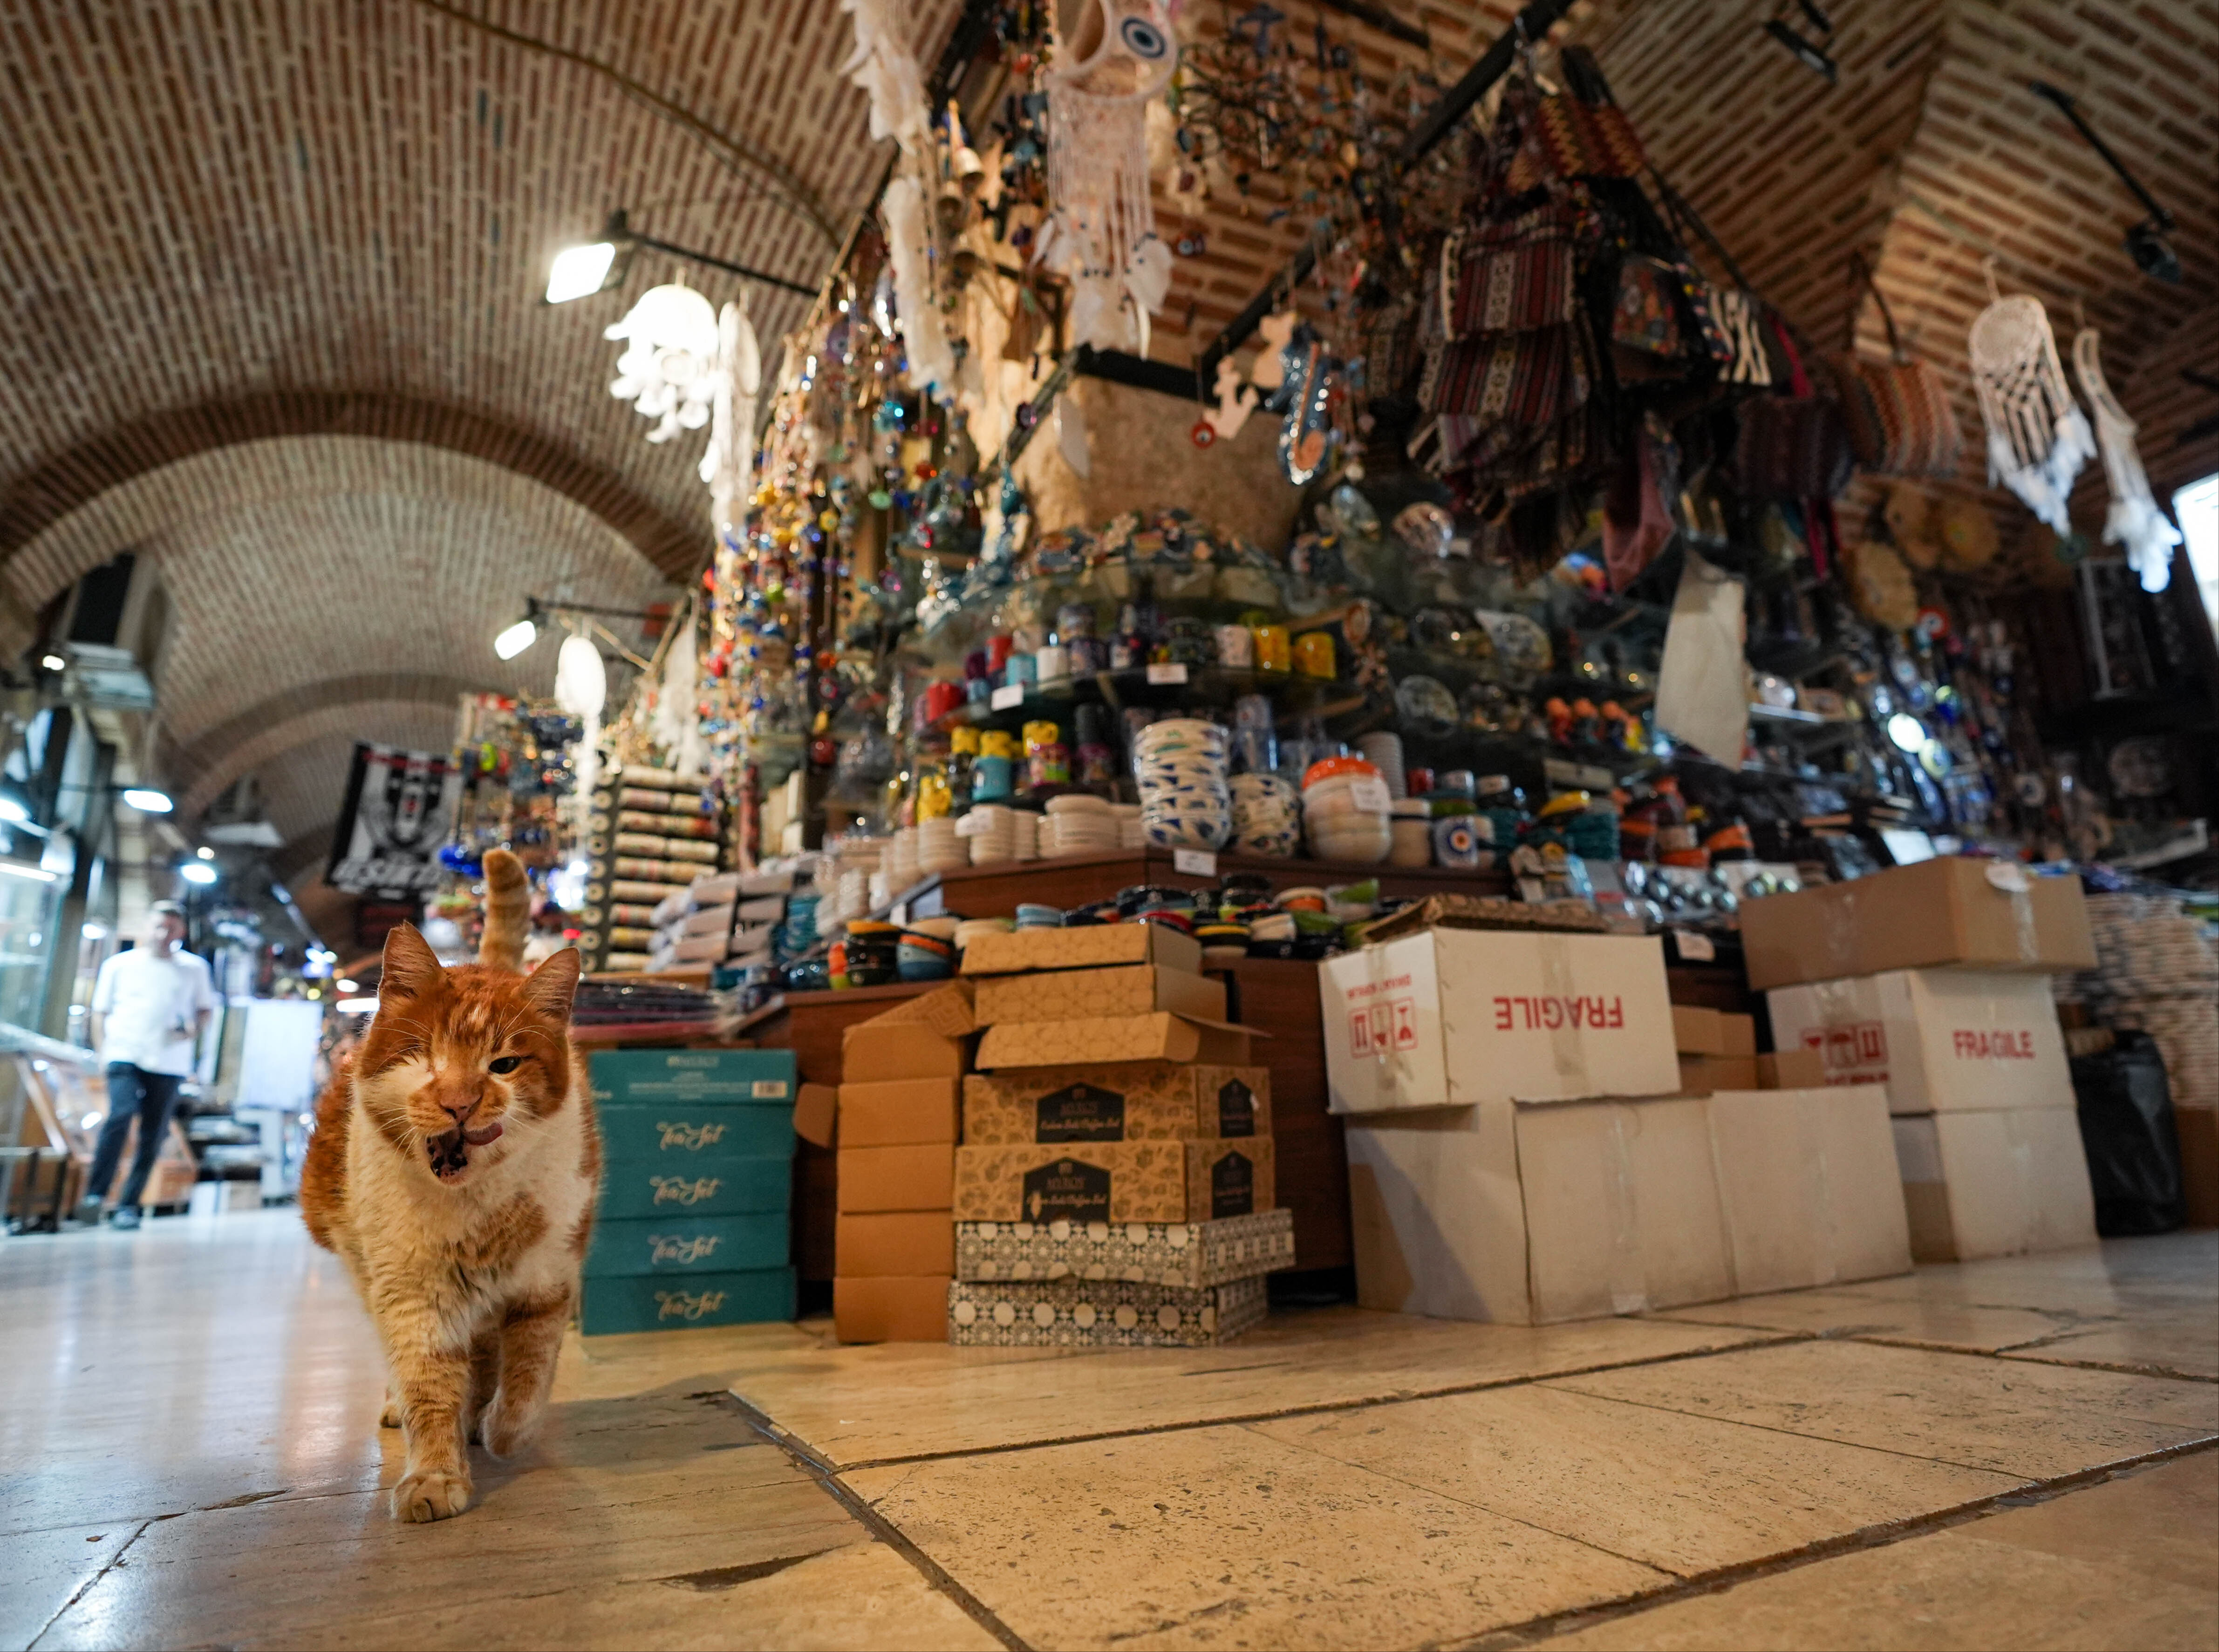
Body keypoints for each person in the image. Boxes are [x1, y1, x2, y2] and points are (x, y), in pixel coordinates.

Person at [76, 902, 218, 1230]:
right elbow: (100, 1011)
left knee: (153, 1132)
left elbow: (205, 1010)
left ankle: (129, 1204)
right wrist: (103, 1051)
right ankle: (95, 1196)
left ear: (180, 932)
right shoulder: (119, 965)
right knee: (120, 1115)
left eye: (170, 928)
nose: (162, 934)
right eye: (157, 926)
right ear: (146, 927)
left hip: (169, 1060)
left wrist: (192, 1031)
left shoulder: (194, 968)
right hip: (124, 1052)